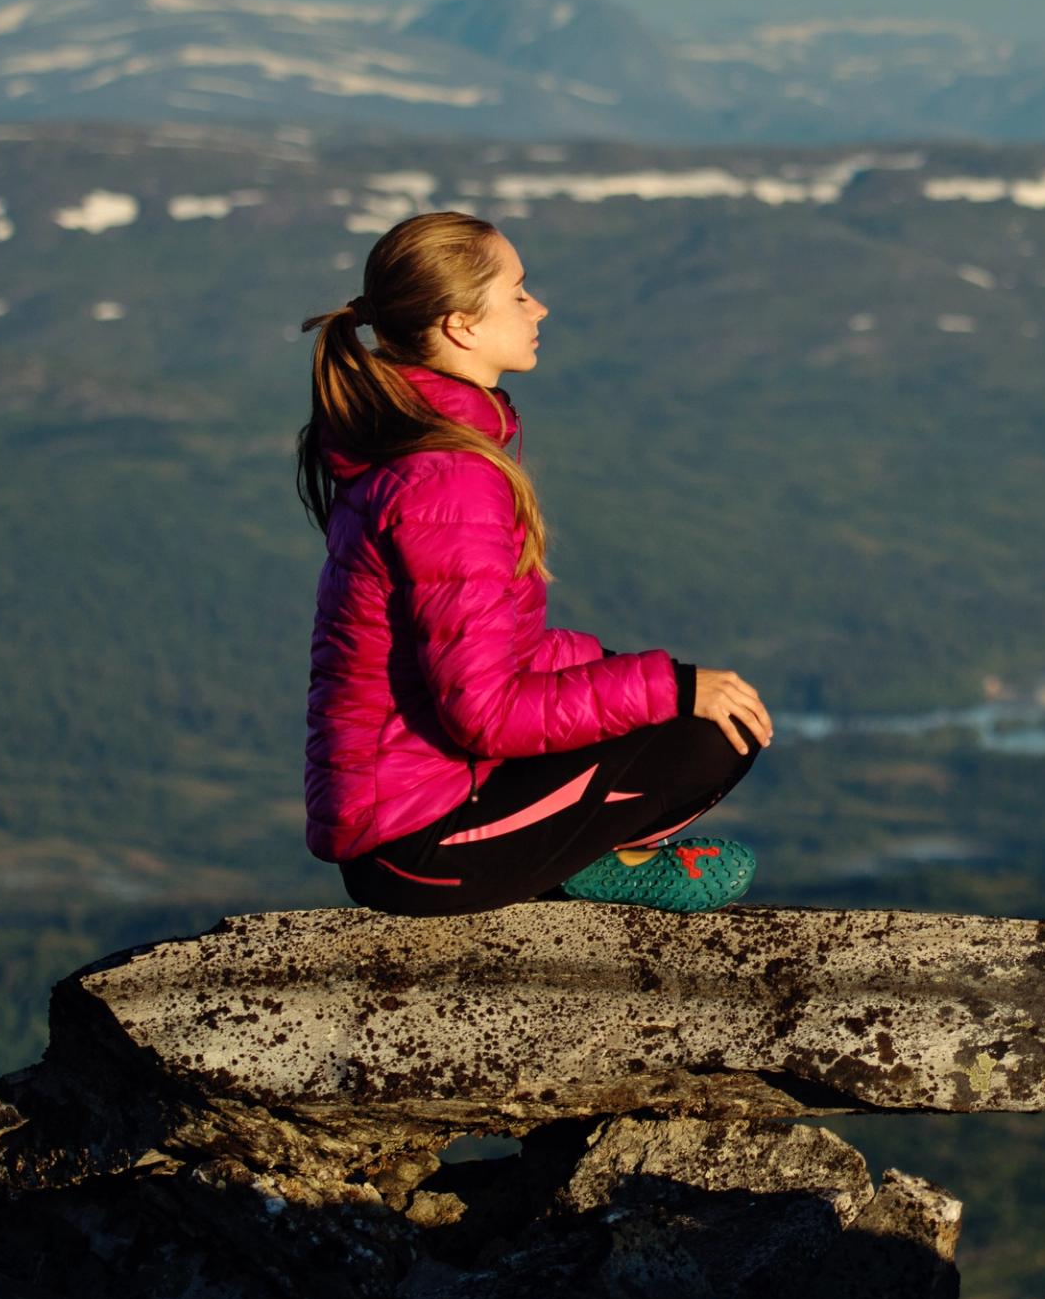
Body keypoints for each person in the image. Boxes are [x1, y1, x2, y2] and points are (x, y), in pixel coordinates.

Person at [297, 209, 772, 914]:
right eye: (518, 292)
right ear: (461, 324)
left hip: (412, 810)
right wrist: (666, 690)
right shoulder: (448, 476)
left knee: (698, 703)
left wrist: (623, 669)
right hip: (419, 843)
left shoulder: (418, 446)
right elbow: (485, 714)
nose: (537, 305)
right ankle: (596, 863)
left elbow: (483, 653)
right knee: (710, 737)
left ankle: (584, 854)